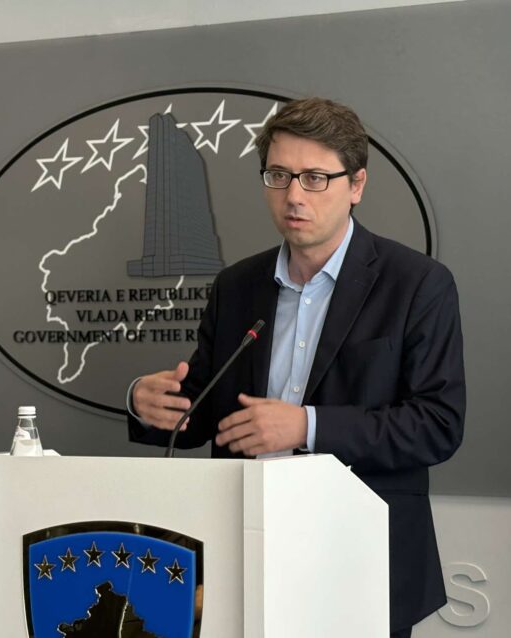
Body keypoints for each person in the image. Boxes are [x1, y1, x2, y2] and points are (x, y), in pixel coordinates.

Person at [128, 97, 465, 638]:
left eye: (315, 178)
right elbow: (207, 411)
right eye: (279, 175)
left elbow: (437, 424)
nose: (293, 196)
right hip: (244, 549)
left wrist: (306, 426)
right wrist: (150, 404)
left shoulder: (417, 284)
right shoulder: (237, 286)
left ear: (356, 185)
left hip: (358, 558)